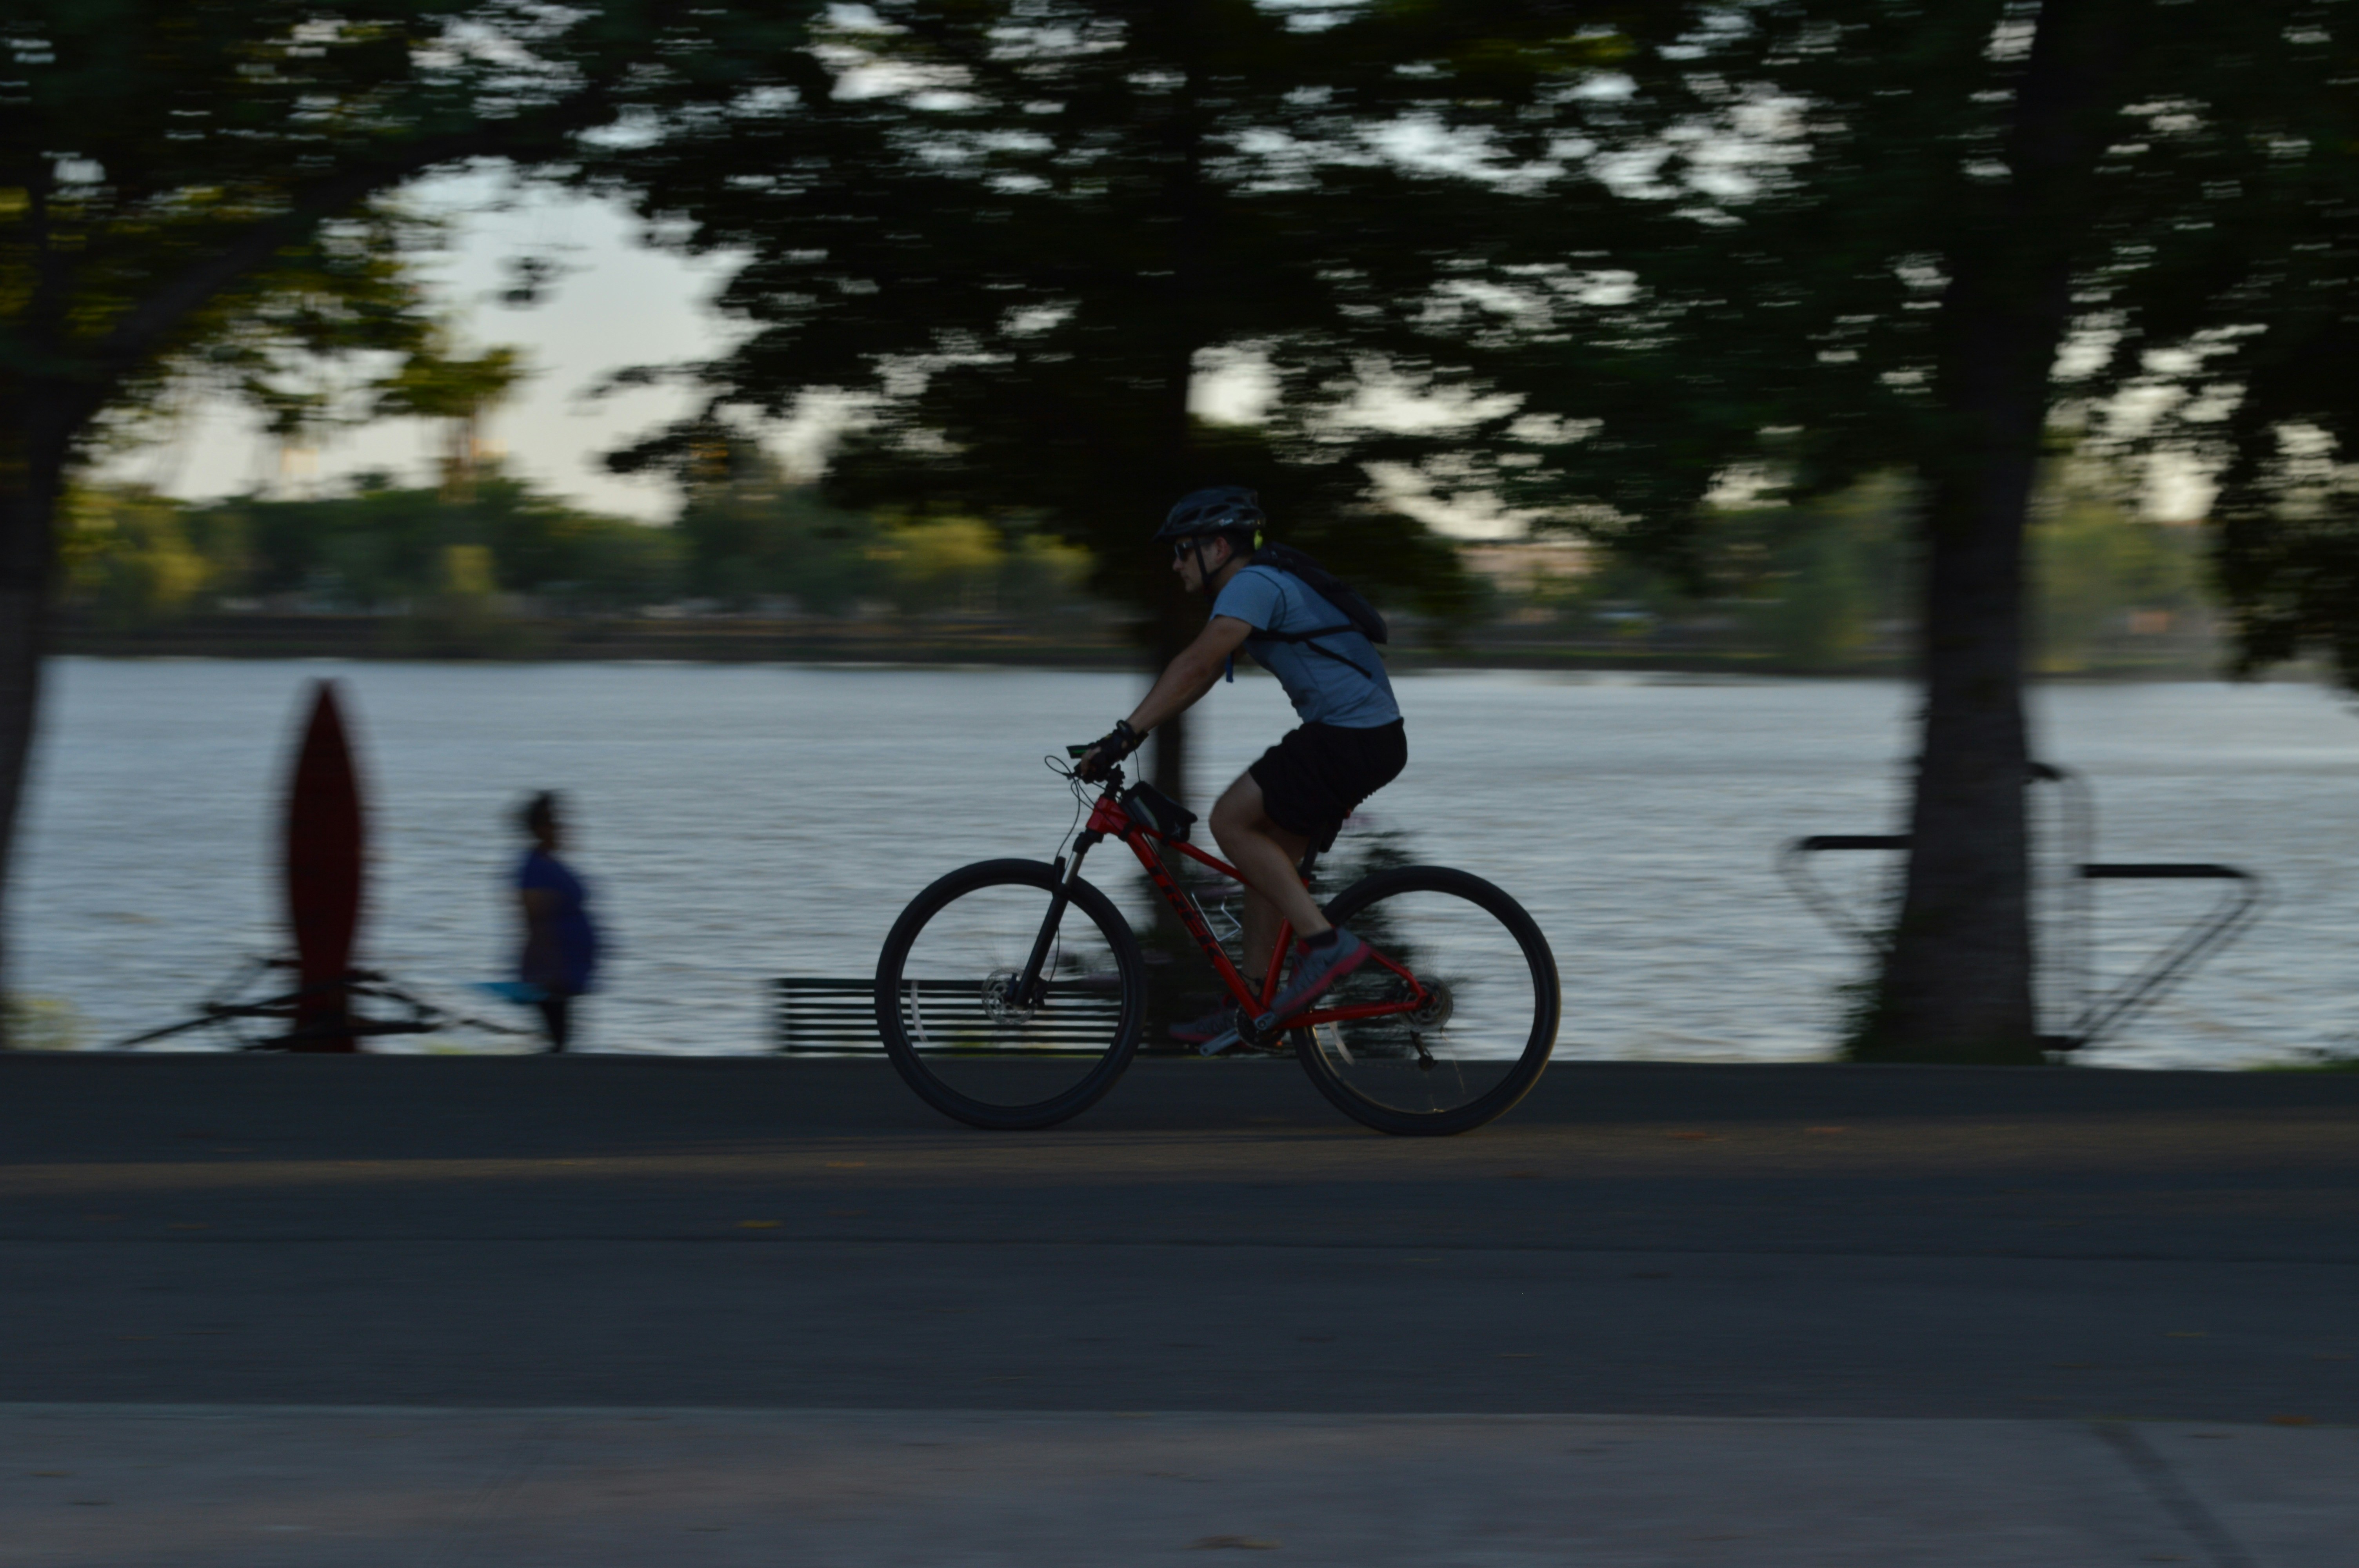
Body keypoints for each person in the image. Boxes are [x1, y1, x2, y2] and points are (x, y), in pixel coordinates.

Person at [1076, 486, 1406, 1048]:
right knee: (1265, 857)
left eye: (1183, 550)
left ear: (1220, 546)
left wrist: (1126, 735)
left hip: (1351, 737)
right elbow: (1198, 671)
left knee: (1230, 820)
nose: (1175, 563)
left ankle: (1327, 949)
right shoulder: (1261, 583)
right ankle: (1254, 1006)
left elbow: (1198, 665)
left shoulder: (1253, 583)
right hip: (1360, 738)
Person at [513, 791, 598, 1052]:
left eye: (560, 822)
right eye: (553, 823)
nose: (560, 829)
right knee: (558, 1041)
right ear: (539, 828)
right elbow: (535, 920)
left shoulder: (552, 864)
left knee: (560, 1040)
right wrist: (547, 970)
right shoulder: (535, 867)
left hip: (567, 969)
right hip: (553, 970)